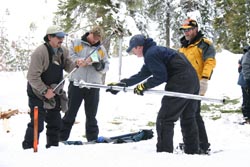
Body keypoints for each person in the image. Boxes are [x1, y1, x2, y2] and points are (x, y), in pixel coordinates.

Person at [106, 34, 200, 154]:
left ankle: (164, 153)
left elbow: (160, 76)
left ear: (139, 47)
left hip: (180, 80)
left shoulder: (151, 54)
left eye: (133, 49)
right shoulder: (155, 51)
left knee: (165, 119)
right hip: (193, 79)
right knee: (188, 117)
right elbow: (142, 74)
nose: (133, 53)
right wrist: (122, 84)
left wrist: (144, 86)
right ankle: (192, 151)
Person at [22, 25, 85, 149]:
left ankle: (53, 148)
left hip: (55, 90)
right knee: (37, 124)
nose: (61, 39)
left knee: (55, 123)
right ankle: (29, 148)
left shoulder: (63, 51)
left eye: (62, 36)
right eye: (58, 37)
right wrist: (45, 91)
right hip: (37, 92)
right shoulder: (39, 53)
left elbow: (68, 67)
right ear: (49, 37)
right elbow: (32, 76)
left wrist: (77, 64)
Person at [59, 26, 109, 142]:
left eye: (98, 39)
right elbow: (69, 57)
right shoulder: (77, 43)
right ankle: (60, 138)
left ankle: (92, 139)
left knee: (91, 115)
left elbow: (106, 65)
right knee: (70, 113)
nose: (96, 41)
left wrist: (99, 66)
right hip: (77, 83)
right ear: (90, 33)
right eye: (94, 38)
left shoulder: (100, 48)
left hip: (93, 85)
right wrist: (78, 61)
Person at [178, 18, 216, 153]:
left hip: (197, 84)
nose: (186, 33)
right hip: (184, 84)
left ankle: (199, 144)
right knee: (191, 114)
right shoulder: (183, 46)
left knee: (192, 114)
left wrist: (204, 79)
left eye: (188, 30)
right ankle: (197, 142)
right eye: (184, 30)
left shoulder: (204, 44)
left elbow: (210, 61)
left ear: (195, 29)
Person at [238, 45, 250, 124]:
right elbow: (245, 66)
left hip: (246, 79)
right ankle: (247, 117)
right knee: (247, 99)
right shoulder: (248, 54)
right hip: (246, 81)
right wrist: (248, 79)